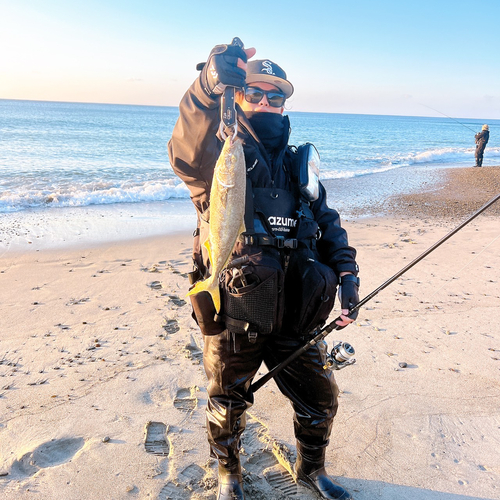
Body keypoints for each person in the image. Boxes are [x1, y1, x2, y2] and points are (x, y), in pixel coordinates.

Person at [168, 40, 360, 500]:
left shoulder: (300, 164)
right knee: (226, 404)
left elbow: (327, 223)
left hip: (298, 311)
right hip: (237, 310)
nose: (266, 103)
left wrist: (348, 273)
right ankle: (229, 473)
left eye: (276, 96)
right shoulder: (220, 157)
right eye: (254, 93)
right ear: (236, 98)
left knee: (320, 400)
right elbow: (185, 151)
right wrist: (208, 85)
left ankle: (311, 469)